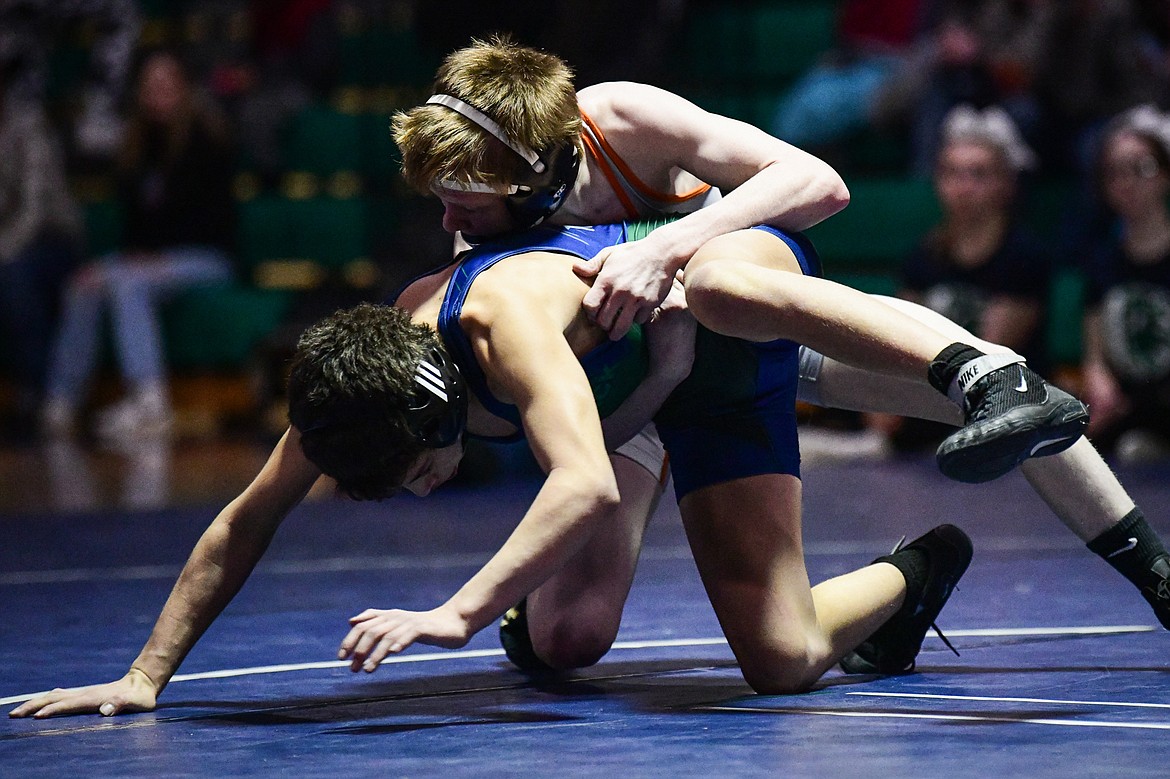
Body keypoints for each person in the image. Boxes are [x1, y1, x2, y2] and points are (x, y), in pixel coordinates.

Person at [9, 218, 975, 719]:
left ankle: (915, 567)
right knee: (572, 637)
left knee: (781, 662)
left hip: (698, 350)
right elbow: (244, 519)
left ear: (438, 408)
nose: (427, 487)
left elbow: (584, 482)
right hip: (618, 401)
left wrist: (455, 612)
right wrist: (145, 675)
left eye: (422, 470)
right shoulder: (359, 380)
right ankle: (539, 609)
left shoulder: (500, 323)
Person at [386, 38, 1170, 630]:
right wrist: (658, 378)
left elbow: (816, 182)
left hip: (751, 322)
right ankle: (913, 573)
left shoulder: (618, 119)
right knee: (570, 635)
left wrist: (663, 247)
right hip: (653, 381)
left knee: (725, 288)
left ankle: (1152, 568)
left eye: (467, 201)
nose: (449, 222)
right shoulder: (479, 245)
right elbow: (579, 436)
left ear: (536, 171)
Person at [39, 50, 237, 440]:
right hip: (150, 258)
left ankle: (149, 403)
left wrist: (155, 258)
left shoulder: (207, 138)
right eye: (150, 86)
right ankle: (60, 403)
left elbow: (214, 223)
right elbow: (136, 227)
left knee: (130, 281)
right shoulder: (135, 146)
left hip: (207, 257)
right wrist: (135, 257)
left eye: (167, 85)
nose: (158, 94)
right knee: (86, 282)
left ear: (183, 89)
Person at [869, 104, 1053, 449]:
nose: (963, 187)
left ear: (1006, 184)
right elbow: (904, 340)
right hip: (932, 403)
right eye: (952, 173)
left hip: (1000, 411)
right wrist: (886, 394)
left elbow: (985, 358)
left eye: (978, 174)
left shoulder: (1023, 257)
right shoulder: (922, 256)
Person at [0, 52, 83, 438]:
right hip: (8, 243)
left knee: (16, 276)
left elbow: (33, 210)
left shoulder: (27, 126)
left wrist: (3, 252)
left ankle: (34, 393)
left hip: (51, 239)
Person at [1080, 105, 1170, 461]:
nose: (1127, 182)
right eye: (1115, 172)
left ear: (1165, 175)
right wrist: (1101, 387)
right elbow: (1095, 357)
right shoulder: (1103, 262)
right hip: (1127, 414)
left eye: (1141, 169)